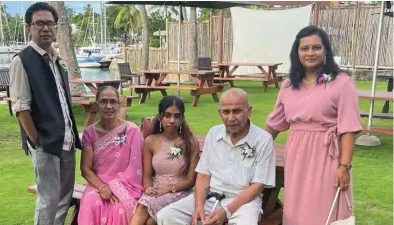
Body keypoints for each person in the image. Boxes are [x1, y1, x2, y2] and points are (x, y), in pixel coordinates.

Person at [266, 25, 362, 225]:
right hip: (297, 156)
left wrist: (344, 166)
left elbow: (349, 129)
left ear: (326, 50)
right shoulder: (288, 85)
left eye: (316, 47)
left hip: (327, 157)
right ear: (297, 52)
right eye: (305, 48)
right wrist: (251, 149)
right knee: (296, 207)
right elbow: (275, 124)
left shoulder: (342, 83)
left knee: (322, 208)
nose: (310, 53)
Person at [157, 88, 276, 225]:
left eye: (237, 111)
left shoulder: (263, 139)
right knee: (166, 216)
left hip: (244, 203)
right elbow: (203, 175)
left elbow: (257, 186)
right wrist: (199, 206)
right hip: (210, 197)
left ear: (249, 111)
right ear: (220, 113)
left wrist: (227, 211)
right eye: (226, 112)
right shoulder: (214, 134)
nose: (231, 118)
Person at [9, 2, 81, 225]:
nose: (46, 28)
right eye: (39, 23)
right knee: (48, 199)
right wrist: (37, 142)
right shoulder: (22, 61)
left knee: (64, 198)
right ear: (29, 27)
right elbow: (21, 108)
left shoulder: (57, 60)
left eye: (50, 23)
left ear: (56, 27)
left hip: (67, 141)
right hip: (46, 144)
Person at [78, 86, 144, 225]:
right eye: (103, 101)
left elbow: (136, 168)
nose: (109, 106)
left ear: (119, 105)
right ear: (97, 105)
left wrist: (115, 187)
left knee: (120, 208)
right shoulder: (90, 133)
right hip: (97, 184)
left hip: (127, 185)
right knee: (92, 203)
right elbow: (85, 169)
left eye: (113, 102)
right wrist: (102, 187)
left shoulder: (132, 131)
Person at [130, 96, 200, 225]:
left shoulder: (190, 142)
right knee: (147, 215)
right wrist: (148, 187)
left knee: (144, 211)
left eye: (177, 116)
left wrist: (169, 189)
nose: (172, 120)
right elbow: (147, 176)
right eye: (167, 115)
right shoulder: (151, 141)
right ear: (160, 117)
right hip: (156, 192)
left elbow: (191, 181)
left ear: (182, 118)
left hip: (180, 193)